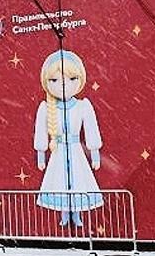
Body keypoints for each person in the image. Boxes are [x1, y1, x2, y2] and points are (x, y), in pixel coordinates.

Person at [33, 50, 103, 228]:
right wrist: (41, 155)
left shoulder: (82, 106)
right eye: (54, 80)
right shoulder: (46, 108)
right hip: (58, 151)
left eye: (72, 79)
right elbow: (41, 131)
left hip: (76, 150)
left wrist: (95, 153)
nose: (63, 85)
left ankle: (76, 214)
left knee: (77, 180)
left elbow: (91, 129)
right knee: (60, 181)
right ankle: (65, 213)